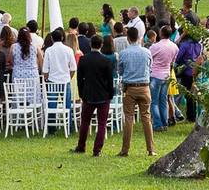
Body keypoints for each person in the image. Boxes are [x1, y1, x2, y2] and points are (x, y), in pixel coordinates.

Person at [72, 35, 117, 157]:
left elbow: (79, 79)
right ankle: (97, 149)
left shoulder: (83, 59)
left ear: (91, 44)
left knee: (85, 122)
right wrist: (110, 93)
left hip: (88, 94)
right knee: (102, 123)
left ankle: (81, 146)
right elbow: (110, 80)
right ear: (101, 45)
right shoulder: (106, 61)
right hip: (103, 95)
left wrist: (81, 93)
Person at [117, 26, 155, 157]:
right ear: (139, 38)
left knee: (128, 118)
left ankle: (125, 149)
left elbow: (120, 71)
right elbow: (150, 68)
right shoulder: (147, 52)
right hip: (144, 87)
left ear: (128, 38)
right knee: (146, 117)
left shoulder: (124, 53)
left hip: (130, 88)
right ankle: (151, 149)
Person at [43, 28, 76, 130]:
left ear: (52, 38)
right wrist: (68, 77)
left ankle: (51, 127)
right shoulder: (69, 50)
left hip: (52, 80)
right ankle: (68, 126)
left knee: (52, 104)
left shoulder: (49, 50)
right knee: (67, 105)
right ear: (62, 38)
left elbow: (45, 70)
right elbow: (73, 68)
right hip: (65, 80)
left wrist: (47, 79)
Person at [149, 24, 179, 132]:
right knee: (163, 100)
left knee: (154, 101)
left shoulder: (155, 46)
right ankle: (164, 123)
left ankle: (157, 124)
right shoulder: (174, 47)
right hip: (167, 75)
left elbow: (149, 58)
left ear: (161, 34)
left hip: (155, 75)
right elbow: (173, 61)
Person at [175, 29, 203, 122]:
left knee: (188, 94)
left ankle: (191, 116)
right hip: (197, 71)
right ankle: (194, 115)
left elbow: (178, 57)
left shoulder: (185, 45)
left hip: (187, 71)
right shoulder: (199, 45)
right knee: (194, 94)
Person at [11, 28, 43, 102]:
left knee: (19, 95)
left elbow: (11, 60)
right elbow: (41, 59)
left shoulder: (14, 47)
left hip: (18, 74)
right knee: (33, 94)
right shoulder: (35, 47)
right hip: (32, 75)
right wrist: (40, 70)